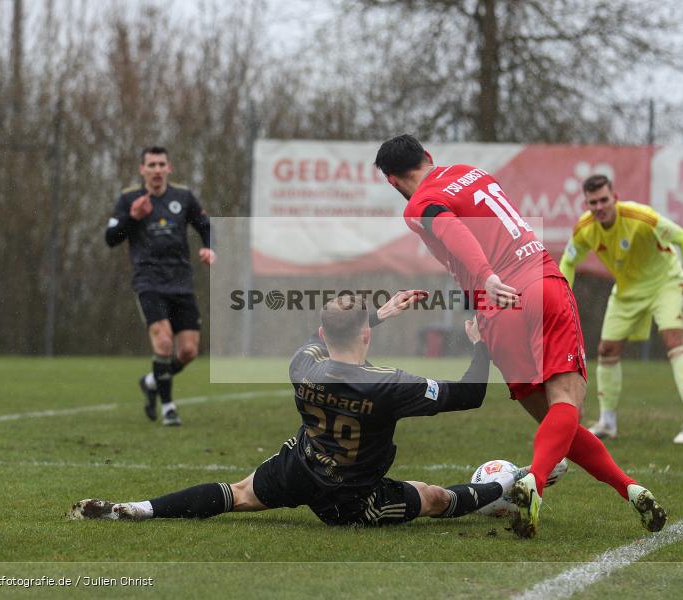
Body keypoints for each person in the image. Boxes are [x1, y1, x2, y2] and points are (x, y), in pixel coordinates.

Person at [375, 134, 666, 539]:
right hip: (538, 281)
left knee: (553, 418)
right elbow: (465, 227)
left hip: (497, 308)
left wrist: (487, 279)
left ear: (391, 181)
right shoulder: (470, 172)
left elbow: (453, 231)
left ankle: (627, 487)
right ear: (428, 156)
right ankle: (537, 481)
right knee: (565, 407)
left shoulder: (417, 205)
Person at [70, 291, 527, 526]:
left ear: (326, 335)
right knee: (434, 497)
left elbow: (322, 335)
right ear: (365, 335)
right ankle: (511, 482)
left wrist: (379, 315)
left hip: (299, 467)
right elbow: (469, 394)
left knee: (238, 494)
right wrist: (480, 345)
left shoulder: (302, 363)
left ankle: (138, 508)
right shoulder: (388, 384)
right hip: (352, 497)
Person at [559, 174, 683, 444]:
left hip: (666, 283)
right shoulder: (585, 228)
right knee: (606, 350)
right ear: (586, 203)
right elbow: (568, 262)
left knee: (674, 343)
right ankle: (608, 422)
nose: (599, 206)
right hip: (627, 291)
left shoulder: (641, 217)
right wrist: (561, 295)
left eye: (604, 200)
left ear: (614, 198)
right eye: (593, 202)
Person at [105, 146, 215, 426]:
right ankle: (168, 407)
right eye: (151, 165)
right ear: (142, 169)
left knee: (188, 351)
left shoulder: (183, 197)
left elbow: (206, 226)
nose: (156, 170)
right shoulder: (129, 198)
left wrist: (209, 249)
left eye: (161, 164)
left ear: (169, 168)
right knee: (164, 341)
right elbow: (111, 238)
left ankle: (152, 380)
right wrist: (133, 218)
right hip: (148, 281)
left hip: (181, 281)